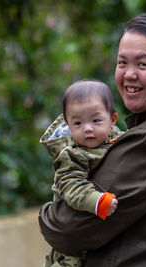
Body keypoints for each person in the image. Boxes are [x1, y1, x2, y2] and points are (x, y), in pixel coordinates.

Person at [39, 13, 146, 266]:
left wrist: (46, 215)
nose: (129, 74)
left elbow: (67, 231)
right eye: (122, 63)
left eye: (142, 64)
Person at [40, 79, 123, 266]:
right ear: (68, 125)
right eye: (78, 123)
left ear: (112, 120)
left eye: (96, 120)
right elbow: (71, 185)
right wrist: (97, 201)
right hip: (71, 235)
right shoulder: (71, 154)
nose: (87, 128)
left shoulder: (120, 140)